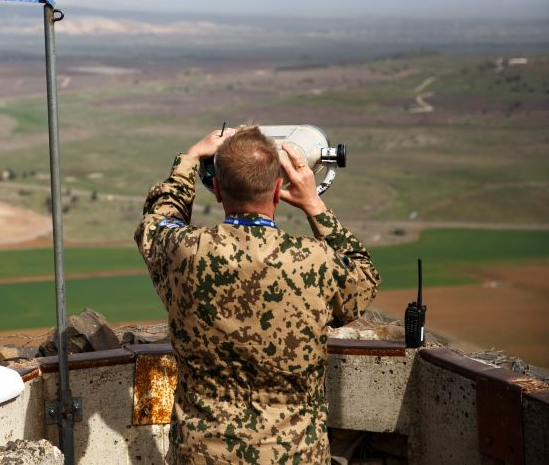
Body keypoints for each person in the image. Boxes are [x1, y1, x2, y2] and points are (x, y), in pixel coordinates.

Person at [135, 126, 380, 464]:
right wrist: (314, 205)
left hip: (203, 454)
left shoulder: (185, 253)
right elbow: (364, 280)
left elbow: (156, 222)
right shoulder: (316, 262)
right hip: (296, 454)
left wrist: (189, 160)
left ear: (217, 189)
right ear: (279, 190)